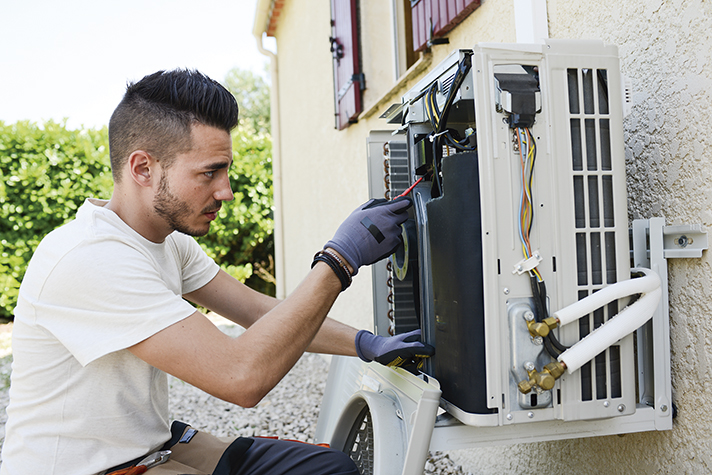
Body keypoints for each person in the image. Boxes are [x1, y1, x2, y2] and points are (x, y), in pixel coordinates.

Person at [0, 69, 434, 475]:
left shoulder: (169, 241)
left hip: (147, 447)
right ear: (142, 169)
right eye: (209, 172)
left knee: (327, 469)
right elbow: (240, 377)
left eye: (224, 170)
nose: (225, 191)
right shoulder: (90, 257)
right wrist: (338, 261)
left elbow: (257, 310)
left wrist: (364, 343)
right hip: (86, 468)